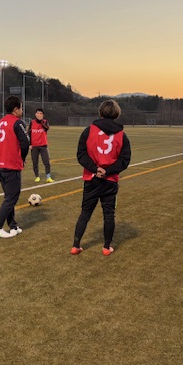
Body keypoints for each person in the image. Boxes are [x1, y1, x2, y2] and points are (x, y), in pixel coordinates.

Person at [70, 99, 131, 256]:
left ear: (100, 112)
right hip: (110, 181)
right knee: (108, 214)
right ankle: (106, 247)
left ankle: (76, 245)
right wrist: (108, 171)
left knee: (85, 213)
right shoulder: (121, 135)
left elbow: (81, 154)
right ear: (116, 114)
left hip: (91, 179)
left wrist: (94, 168)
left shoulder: (88, 131)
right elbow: (124, 160)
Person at [0, 96, 30, 238]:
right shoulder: (18, 123)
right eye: (21, 108)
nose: (22, 111)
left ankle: (13, 225)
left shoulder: (1, 122)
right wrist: (22, 158)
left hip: (0, 164)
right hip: (11, 165)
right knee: (12, 198)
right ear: (15, 109)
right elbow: (25, 142)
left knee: (9, 197)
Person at [29, 108, 54, 183]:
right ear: (35, 114)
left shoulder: (45, 122)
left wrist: (41, 122)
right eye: (38, 113)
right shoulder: (32, 123)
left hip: (43, 145)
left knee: (46, 161)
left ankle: (48, 177)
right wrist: (30, 144)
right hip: (34, 146)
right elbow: (29, 133)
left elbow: (47, 128)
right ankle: (37, 176)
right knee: (35, 162)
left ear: (43, 115)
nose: (39, 115)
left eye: (41, 113)